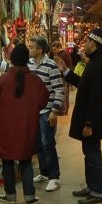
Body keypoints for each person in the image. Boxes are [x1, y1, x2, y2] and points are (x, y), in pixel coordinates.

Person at [0, 44, 49, 204]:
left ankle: (10, 195)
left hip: (6, 128)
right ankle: (29, 196)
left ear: (12, 60)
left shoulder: (4, 79)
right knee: (25, 160)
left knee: (7, 161)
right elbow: (43, 101)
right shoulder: (35, 81)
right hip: (28, 127)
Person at [55, 28, 102, 204]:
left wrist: (89, 124)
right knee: (89, 153)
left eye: (86, 42)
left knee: (93, 154)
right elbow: (83, 85)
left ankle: (98, 192)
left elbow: (98, 99)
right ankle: (91, 186)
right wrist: (65, 72)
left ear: (93, 44)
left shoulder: (101, 66)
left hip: (92, 121)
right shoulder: (95, 62)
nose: (84, 45)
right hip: (89, 118)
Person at [28, 36, 65, 192]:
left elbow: (59, 90)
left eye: (31, 47)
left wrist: (54, 111)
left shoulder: (51, 66)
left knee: (48, 143)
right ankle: (43, 172)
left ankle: (54, 177)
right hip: (33, 112)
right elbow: (12, 68)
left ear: (40, 50)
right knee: (38, 143)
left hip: (46, 112)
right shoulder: (29, 64)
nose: (29, 49)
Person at [50, 41, 73, 115]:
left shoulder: (61, 55)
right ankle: (65, 110)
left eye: (55, 49)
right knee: (66, 93)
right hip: (67, 76)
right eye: (53, 49)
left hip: (63, 76)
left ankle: (62, 110)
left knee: (63, 93)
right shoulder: (65, 53)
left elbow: (60, 67)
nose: (54, 51)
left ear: (59, 48)